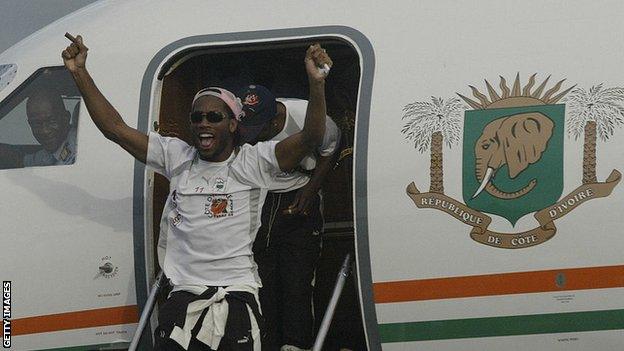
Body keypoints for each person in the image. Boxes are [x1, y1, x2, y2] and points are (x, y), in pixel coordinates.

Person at [61, 33, 332, 351]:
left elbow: (311, 136)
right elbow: (115, 129)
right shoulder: (176, 157)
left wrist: (316, 84)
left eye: (215, 117)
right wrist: (79, 72)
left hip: (236, 301)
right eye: (197, 117)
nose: (205, 123)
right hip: (184, 299)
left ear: (233, 125)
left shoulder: (253, 162)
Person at [236, 85, 341, 351]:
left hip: (298, 194)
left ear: (274, 120)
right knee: (261, 280)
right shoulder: (240, 123)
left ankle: (296, 345)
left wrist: (310, 191)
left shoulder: (308, 117)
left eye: (258, 128)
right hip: (257, 198)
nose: (250, 135)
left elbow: (330, 150)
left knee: (297, 280)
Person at [0, 89, 77, 169]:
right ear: (30, 124)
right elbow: (24, 161)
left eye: (52, 121)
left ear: (66, 118)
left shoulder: (78, 148)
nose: (45, 131)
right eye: (36, 124)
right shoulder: (54, 150)